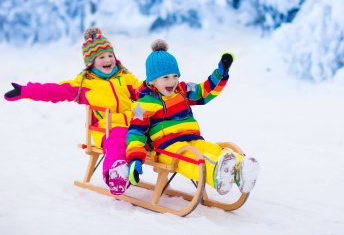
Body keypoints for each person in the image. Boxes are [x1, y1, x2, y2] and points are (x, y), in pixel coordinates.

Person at [4, 27, 141, 195]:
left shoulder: (125, 77)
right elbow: (55, 91)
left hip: (133, 124)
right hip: (106, 128)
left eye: (110, 55)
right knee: (118, 138)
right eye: (101, 57)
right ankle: (116, 173)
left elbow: (142, 91)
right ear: (91, 62)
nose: (108, 60)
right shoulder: (85, 84)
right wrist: (25, 91)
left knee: (151, 130)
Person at [126, 39, 259, 195]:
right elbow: (136, 133)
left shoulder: (182, 90)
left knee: (210, 148)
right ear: (152, 80)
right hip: (166, 147)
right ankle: (215, 173)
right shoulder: (144, 103)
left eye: (175, 76)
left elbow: (204, 91)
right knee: (189, 159)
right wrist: (135, 159)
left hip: (192, 138)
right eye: (166, 77)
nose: (173, 81)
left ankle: (240, 168)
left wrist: (221, 73)